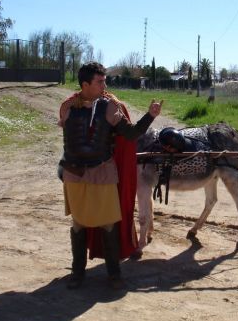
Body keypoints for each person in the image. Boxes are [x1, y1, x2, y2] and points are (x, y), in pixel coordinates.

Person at [58, 62, 162, 290]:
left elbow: (132, 133)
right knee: (78, 224)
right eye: (100, 81)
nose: (104, 85)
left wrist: (150, 116)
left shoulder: (109, 107)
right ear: (85, 84)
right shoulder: (67, 106)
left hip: (102, 173)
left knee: (108, 224)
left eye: (105, 80)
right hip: (74, 173)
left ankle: (114, 274)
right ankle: (77, 273)